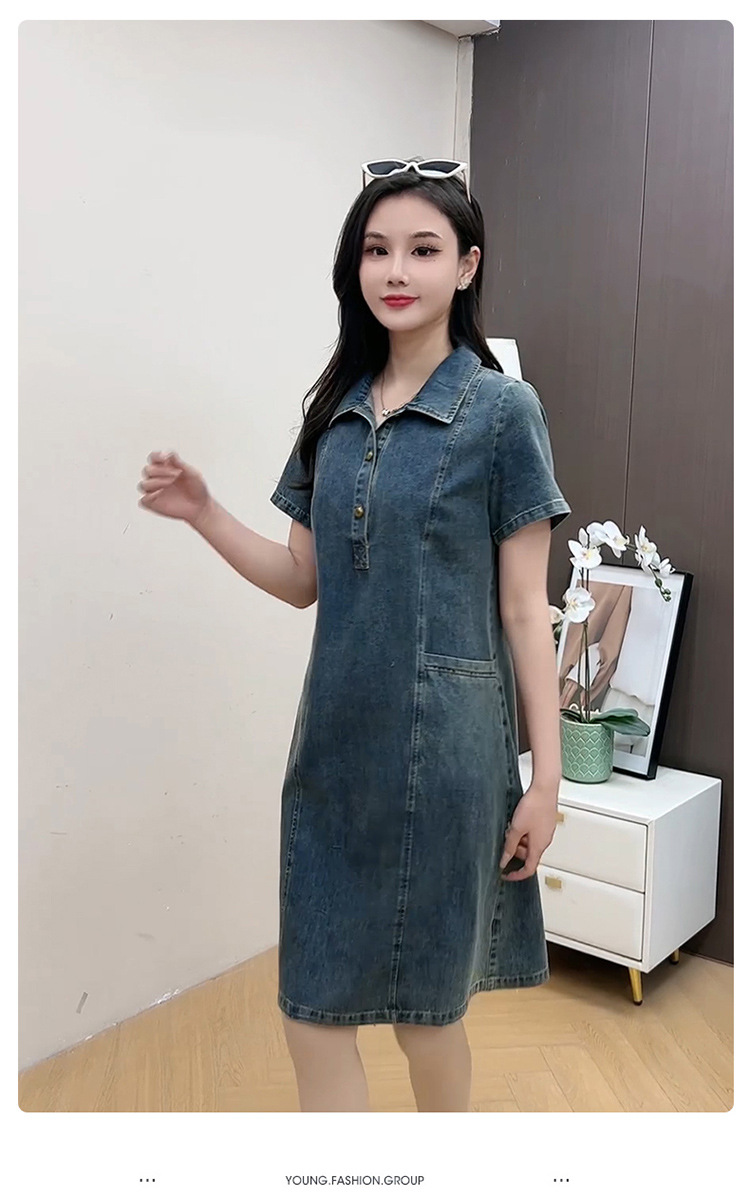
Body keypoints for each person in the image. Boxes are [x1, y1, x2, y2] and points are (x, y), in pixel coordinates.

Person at [136, 157, 572, 1113]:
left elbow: (522, 610)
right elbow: (303, 582)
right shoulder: (330, 413)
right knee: (312, 1012)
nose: (396, 270)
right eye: (377, 250)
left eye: (423, 249)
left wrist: (544, 781)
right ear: (355, 267)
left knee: (427, 1017)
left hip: (450, 759)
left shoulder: (504, 412)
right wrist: (204, 511)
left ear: (466, 266)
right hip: (333, 755)